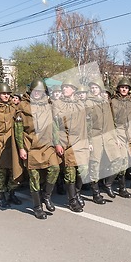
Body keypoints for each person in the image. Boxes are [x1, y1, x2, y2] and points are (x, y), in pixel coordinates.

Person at [15, 79, 60, 219]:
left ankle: (46, 196)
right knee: (34, 178)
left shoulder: (49, 105)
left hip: (47, 145)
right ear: (31, 91)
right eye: (35, 91)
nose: (37, 94)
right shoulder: (22, 107)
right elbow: (18, 130)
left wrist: (57, 143)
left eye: (40, 91)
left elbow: (55, 127)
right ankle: (37, 207)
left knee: (55, 168)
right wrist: (21, 148)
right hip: (31, 146)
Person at [52, 78, 90, 212]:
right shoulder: (57, 104)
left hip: (81, 142)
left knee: (83, 169)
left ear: (73, 90)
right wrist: (57, 143)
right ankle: (72, 200)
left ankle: (77, 192)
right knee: (70, 172)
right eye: (63, 87)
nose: (64, 89)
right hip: (67, 142)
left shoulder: (81, 104)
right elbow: (55, 126)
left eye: (67, 87)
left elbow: (87, 124)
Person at [0, 83, 23, 208]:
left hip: (11, 143)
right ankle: (1, 196)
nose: (6, 96)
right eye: (3, 94)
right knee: (0, 172)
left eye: (8, 94)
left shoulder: (14, 107)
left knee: (14, 170)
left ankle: (11, 194)